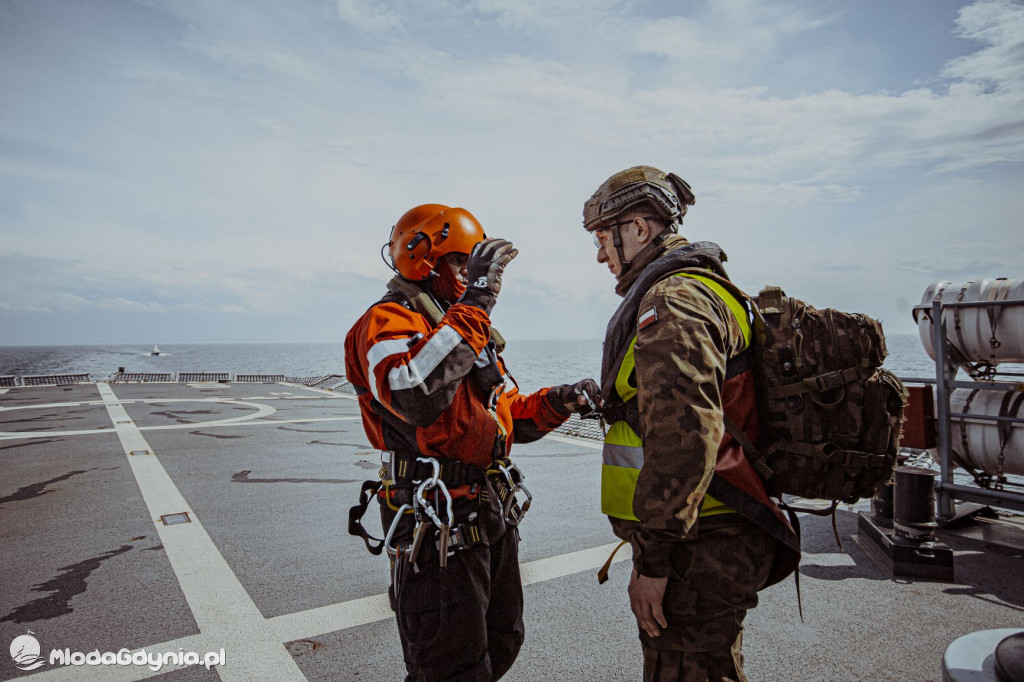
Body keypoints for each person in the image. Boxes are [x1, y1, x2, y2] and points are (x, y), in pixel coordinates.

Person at [345, 203, 599, 681]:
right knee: (450, 669)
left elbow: (505, 416)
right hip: (435, 527)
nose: (469, 276)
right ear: (423, 260)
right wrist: (476, 304)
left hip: (487, 514)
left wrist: (563, 400)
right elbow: (413, 392)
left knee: (503, 640)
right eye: (462, 264)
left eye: (473, 268)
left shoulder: (462, 330)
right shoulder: (386, 322)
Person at [583, 166, 801, 682]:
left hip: (700, 542)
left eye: (602, 237)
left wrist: (655, 561)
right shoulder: (704, 289)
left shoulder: (673, 300)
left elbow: (684, 439)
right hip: (705, 532)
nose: (599, 255)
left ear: (638, 228)